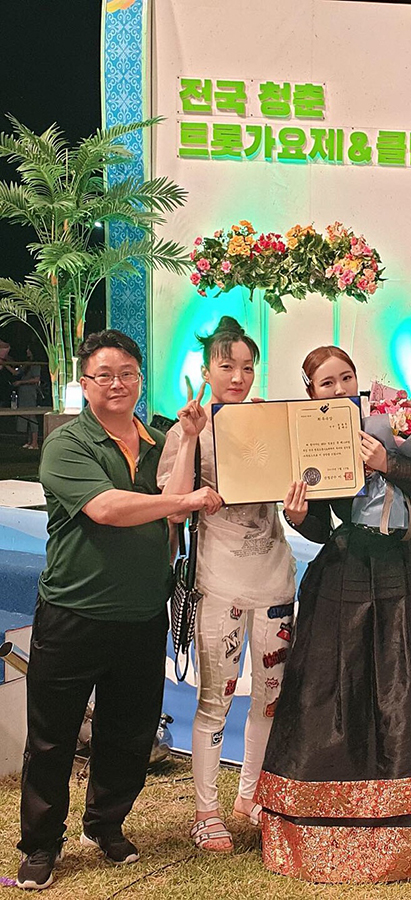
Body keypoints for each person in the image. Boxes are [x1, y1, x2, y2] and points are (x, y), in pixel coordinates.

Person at [255, 346, 411, 883]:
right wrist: (299, 516)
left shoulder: (394, 417)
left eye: (346, 378)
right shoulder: (307, 436)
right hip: (350, 566)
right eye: (326, 383)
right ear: (310, 392)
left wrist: (389, 463)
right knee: (338, 683)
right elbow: (321, 528)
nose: (338, 389)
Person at [17, 330, 222, 891]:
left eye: (127, 373)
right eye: (104, 375)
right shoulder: (67, 444)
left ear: (140, 379)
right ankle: (40, 844)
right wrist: (185, 500)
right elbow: (107, 508)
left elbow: (172, 511)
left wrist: (187, 438)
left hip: (143, 614)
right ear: (84, 384)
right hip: (73, 612)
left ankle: (105, 825)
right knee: (52, 737)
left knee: (129, 732)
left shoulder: (156, 438)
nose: (117, 384)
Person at [157, 317, 300, 853]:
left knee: (270, 700)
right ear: (206, 371)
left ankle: (251, 795)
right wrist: (193, 437)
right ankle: (206, 811)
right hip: (219, 584)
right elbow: (172, 505)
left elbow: (297, 487)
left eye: (247, 367)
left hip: (276, 580)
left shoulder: (268, 421)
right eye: (226, 366)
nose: (238, 377)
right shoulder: (187, 429)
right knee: (215, 700)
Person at [14, 345, 42, 449]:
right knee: (26, 416)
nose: (27, 351)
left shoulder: (35, 364)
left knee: (31, 416)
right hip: (24, 393)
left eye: (29, 349)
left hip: (30, 392)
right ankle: (30, 441)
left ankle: (35, 442)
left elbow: (36, 379)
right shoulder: (27, 364)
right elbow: (16, 372)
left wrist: (21, 382)